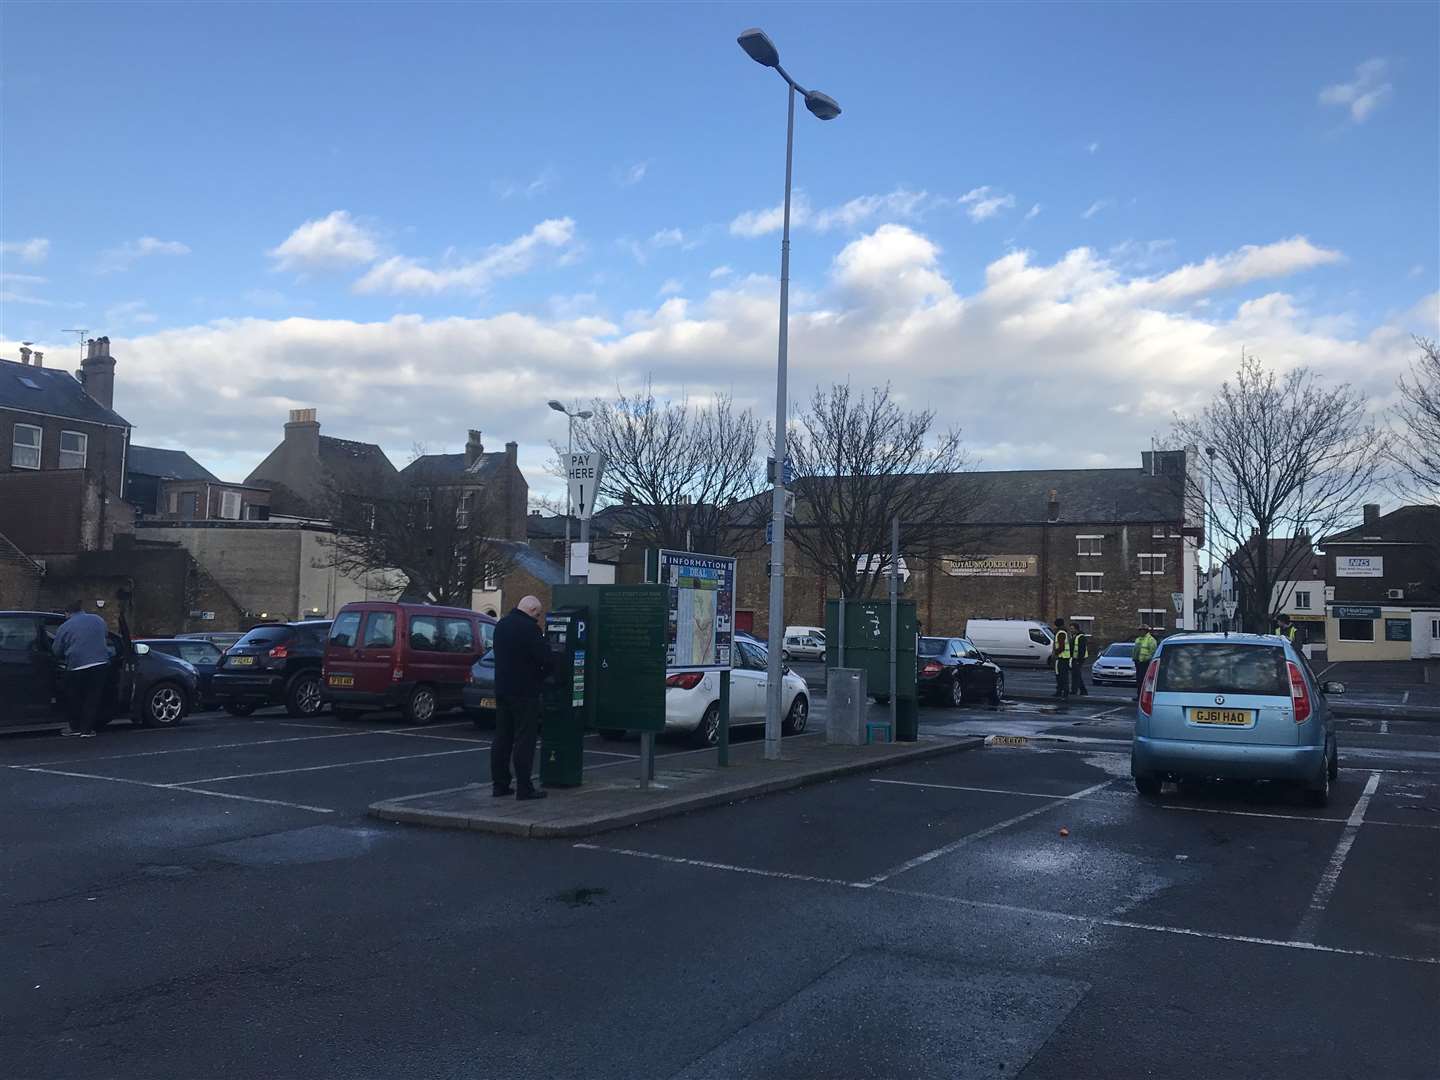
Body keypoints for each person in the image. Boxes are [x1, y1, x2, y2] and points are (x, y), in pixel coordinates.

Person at [491, 595, 552, 800]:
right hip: (525, 692)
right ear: (533, 610)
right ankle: (524, 788)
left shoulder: (501, 625)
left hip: (502, 690)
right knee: (525, 740)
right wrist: (543, 676)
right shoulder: (530, 629)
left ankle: (499, 785)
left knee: (502, 738)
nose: (538, 618)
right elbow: (546, 659)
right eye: (538, 614)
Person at [52, 599, 111, 738]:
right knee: (92, 698)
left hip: (76, 666)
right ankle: (87, 730)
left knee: (75, 698)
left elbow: (56, 650)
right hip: (99, 664)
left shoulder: (65, 627)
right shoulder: (98, 620)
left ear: (68, 613)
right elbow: (106, 636)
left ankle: (75, 728)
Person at [1132, 624, 1158, 700]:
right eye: (1139, 630)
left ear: (1146, 631)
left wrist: (1146, 659)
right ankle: (1139, 696)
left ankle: (1146, 697)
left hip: (1146, 663)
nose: (1140, 632)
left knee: (1146, 681)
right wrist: (1134, 658)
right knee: (1139, 680)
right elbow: (1136, 650)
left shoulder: (1151, 640)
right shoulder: (1138, 639)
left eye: (1142, 630)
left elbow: (1153, 652)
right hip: (1138, 663)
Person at [1051, 617, 1071, 700]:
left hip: (1062, 657)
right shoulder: (1062, 632)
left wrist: (1056, 653)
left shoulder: (1061, 633)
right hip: (1063, 657)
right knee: (1061, 675)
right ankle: (1060, 691)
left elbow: (1061, 646)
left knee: (1061, 676)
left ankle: (1062, 692)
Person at [1070, 624, 1090, 697]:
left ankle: (1075, 691)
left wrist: (1079, 660)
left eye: (1072, 629)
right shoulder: (1074, 636)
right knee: (1076, 675)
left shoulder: (1081, 637)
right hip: (1075, 658)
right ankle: (1082, 690)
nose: (1071, 630)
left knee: (1076, 675)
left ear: (1076, 629)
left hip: (1079, 659)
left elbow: (1082, 649)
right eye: (1070, 629)